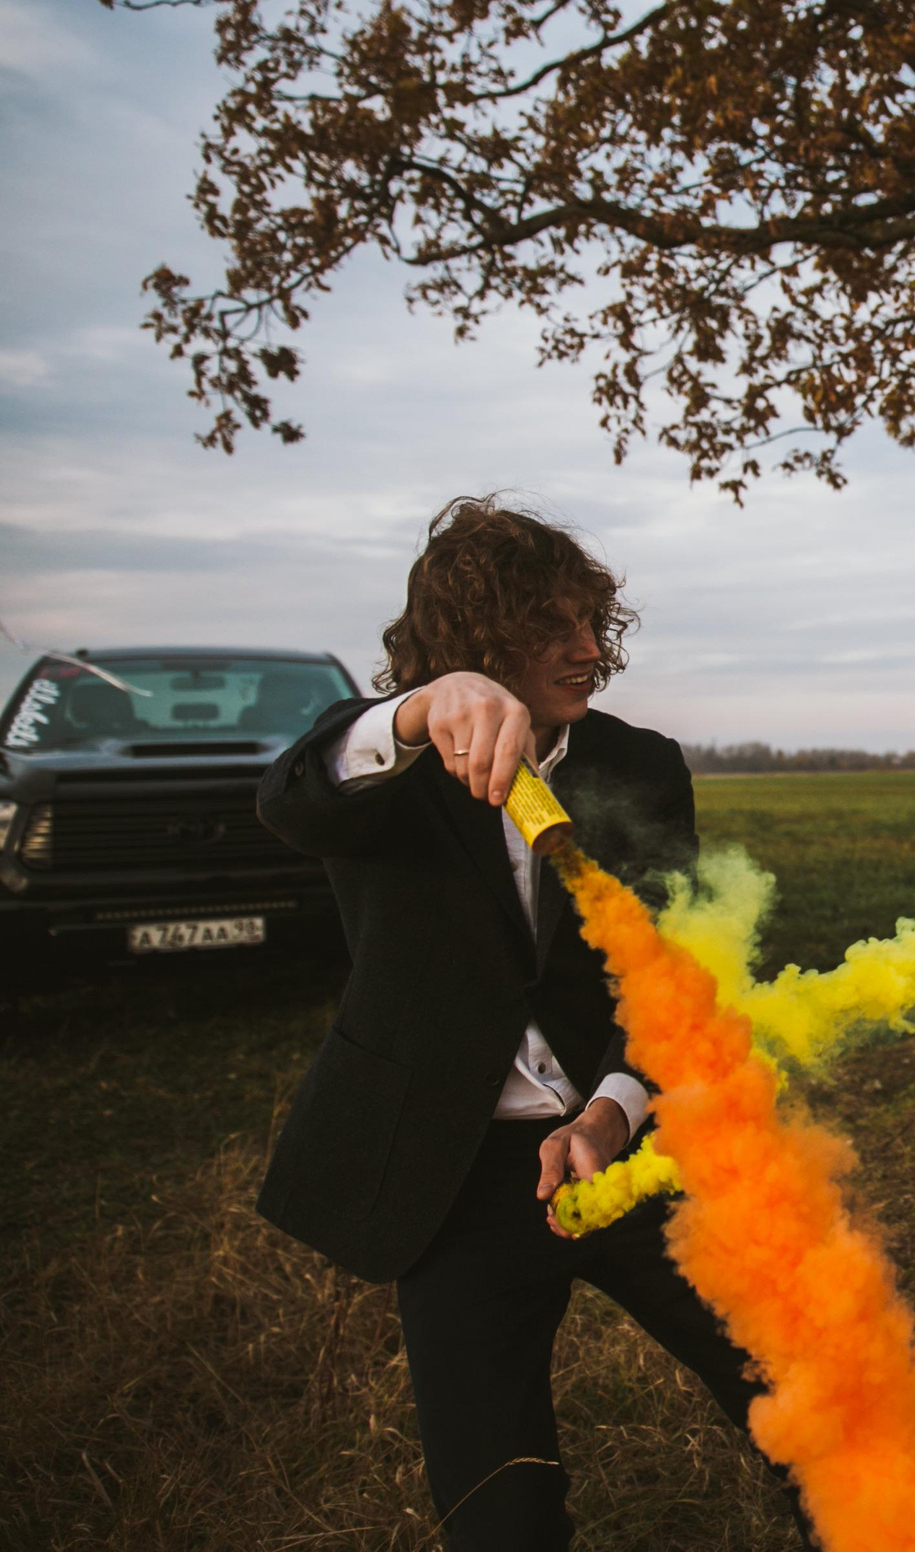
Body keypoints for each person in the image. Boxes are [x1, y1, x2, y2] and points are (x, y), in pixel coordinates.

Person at [256, 496, 807, 1551]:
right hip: (454, 1185)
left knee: (810, 1400)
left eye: (593, 623)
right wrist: (422, 711)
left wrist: (612, 1111)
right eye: (553, 628)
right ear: (475, 638)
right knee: (498, 1506)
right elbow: (291, 795)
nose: (590, 651)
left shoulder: (638, 763)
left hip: (633, 1156)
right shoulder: (380, 771)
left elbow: (673, 970)